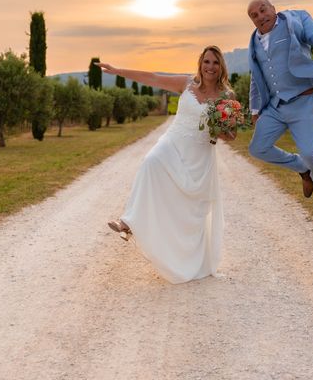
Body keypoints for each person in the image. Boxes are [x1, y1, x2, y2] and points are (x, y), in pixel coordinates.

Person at [97, 46, 236, 284]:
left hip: (199, 156)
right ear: (200, 64)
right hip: (172, 142)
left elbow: (231, 135)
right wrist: (118, 71)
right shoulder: (186, 84)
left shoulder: (227, 97)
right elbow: (151, 77)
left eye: (214, 62)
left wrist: (220, 128)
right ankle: (128, 222)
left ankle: (188, 259)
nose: (209, 67)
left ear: (221, 66)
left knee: (189, 210)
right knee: (151, 162)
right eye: (206, 62)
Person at [246, 0, 313, 209]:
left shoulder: (295, 19)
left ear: (273, 8)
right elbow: (256, 76)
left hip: (304, 100)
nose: (260, 16)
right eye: (254, 15)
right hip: (276, 105)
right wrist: (255, 109)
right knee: (257, 148)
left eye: (263, 10)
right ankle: (302, 168)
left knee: (309, 151)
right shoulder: (254, 41)